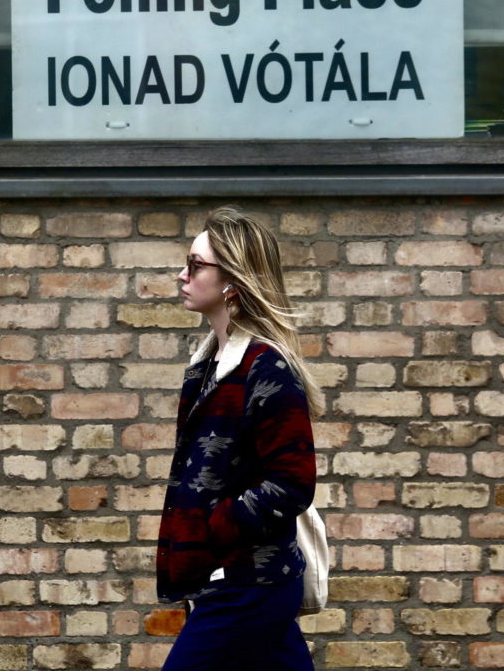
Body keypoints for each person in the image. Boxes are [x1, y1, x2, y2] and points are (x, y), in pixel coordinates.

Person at [156, 206, 324, 671]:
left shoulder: (265, 368)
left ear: (232, 281)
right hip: (228, 578)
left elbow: (292, 481)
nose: (181, 275)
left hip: (248, 582)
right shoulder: (208, 366)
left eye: (194, 265)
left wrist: (215, 527)